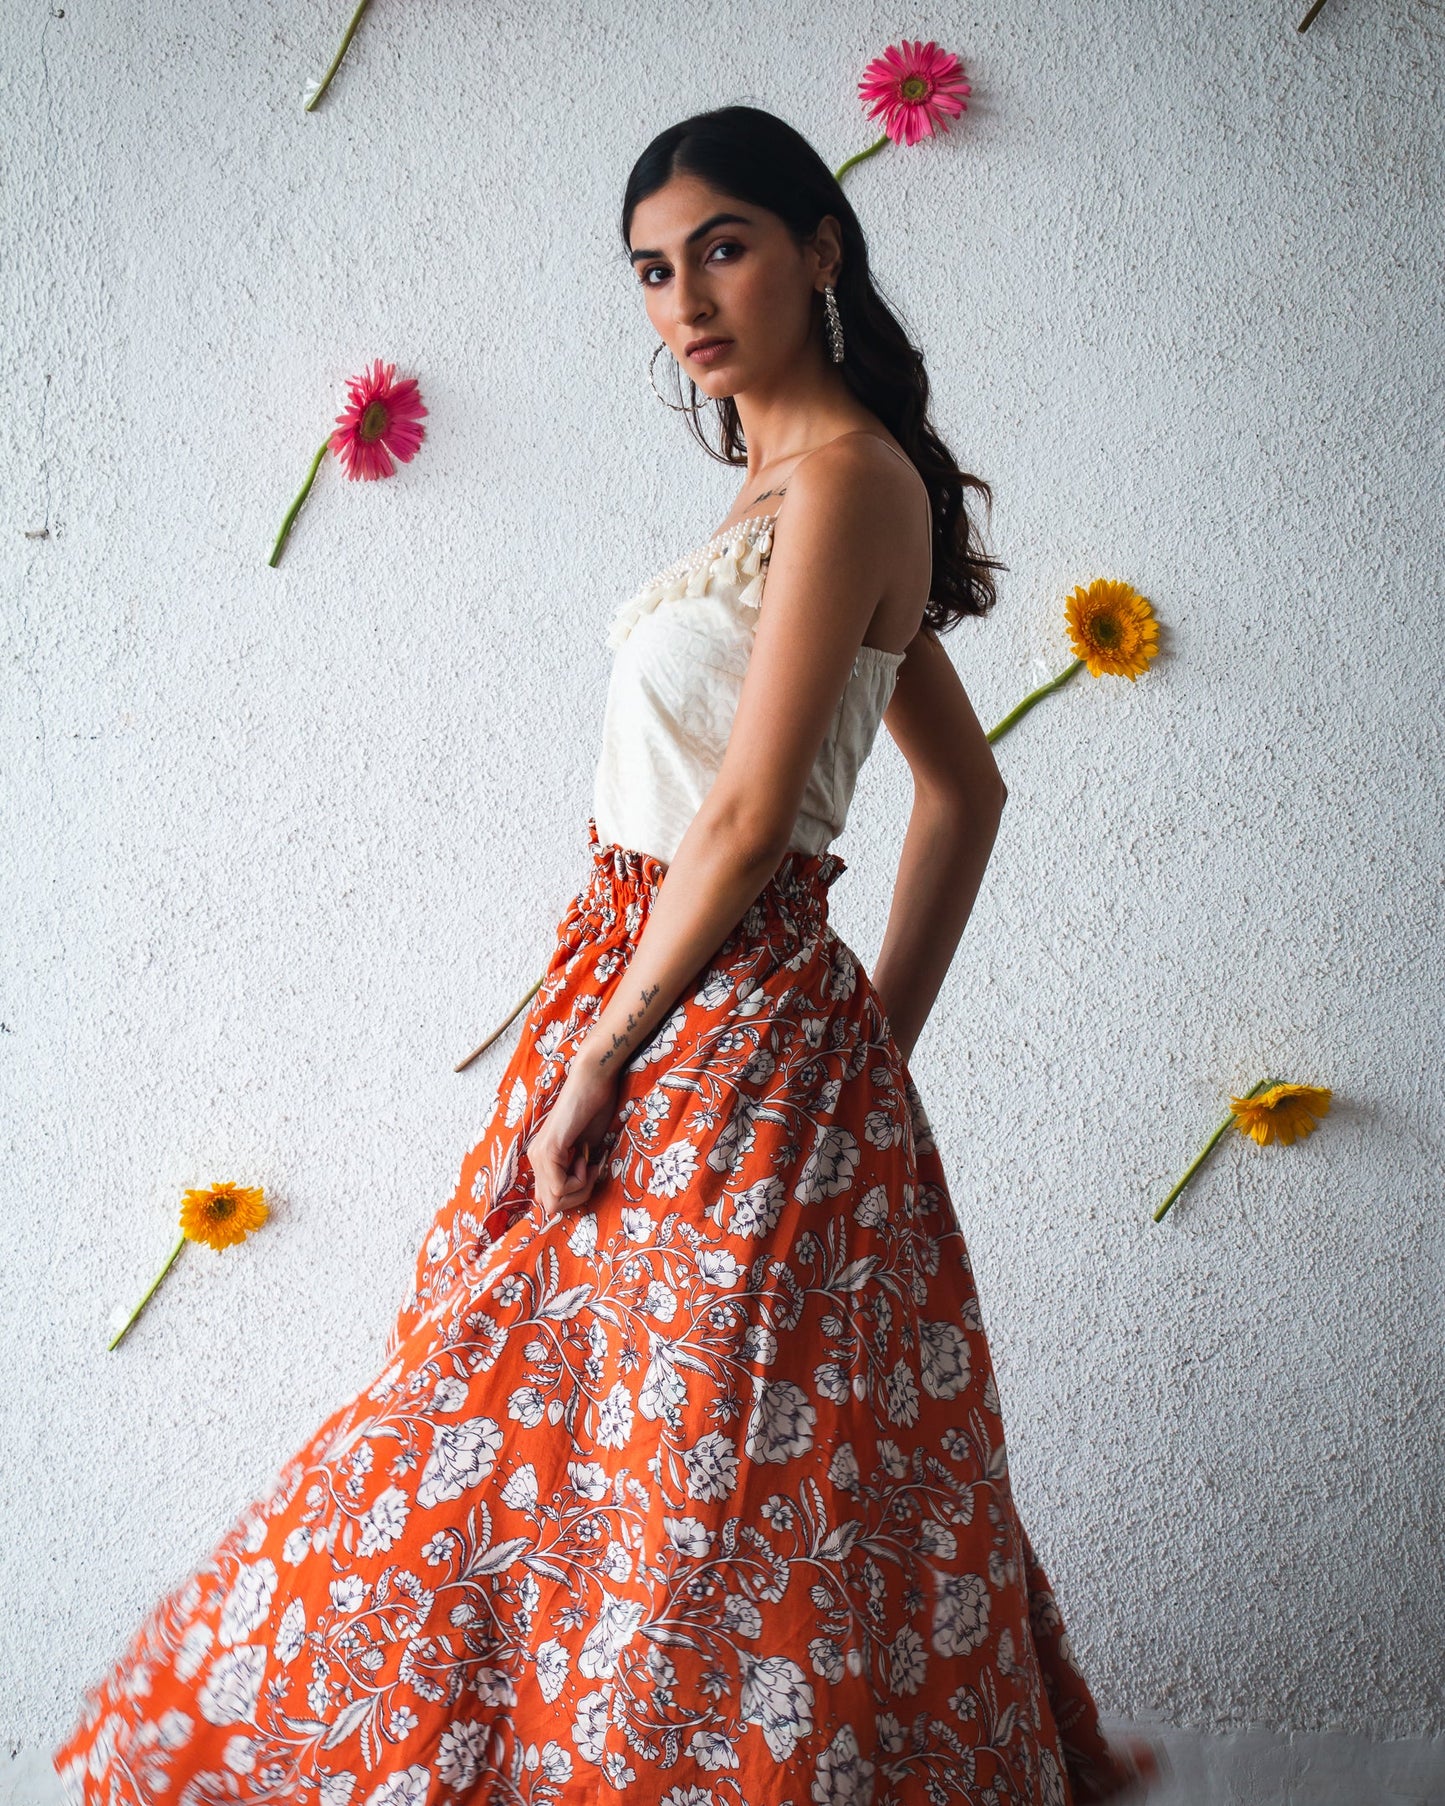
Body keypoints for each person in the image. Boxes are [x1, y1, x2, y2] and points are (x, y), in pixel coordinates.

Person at [49, 105, 1162, 1806]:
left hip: (691, 1016)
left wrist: (653, 1051)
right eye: (651, 269)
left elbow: (738, 821)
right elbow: (965, 787)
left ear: (819, 247)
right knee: (544, 1439)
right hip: (685, 1008)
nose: (684, 298)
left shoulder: (855, 480)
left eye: (721, 245)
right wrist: (857, 1048)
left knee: (691, 1476)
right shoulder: (786, 483)